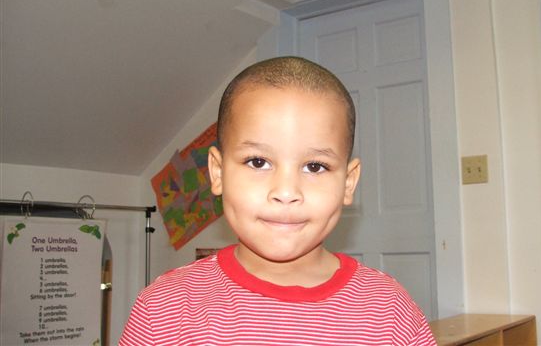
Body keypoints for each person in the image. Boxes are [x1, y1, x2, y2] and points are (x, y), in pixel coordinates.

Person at [120, 56, 437, 346]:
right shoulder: (164, 310)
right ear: (217, 172)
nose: (286, 191)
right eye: (258, 162)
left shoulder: (390, 312)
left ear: (348, 182)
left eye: (315, 166)